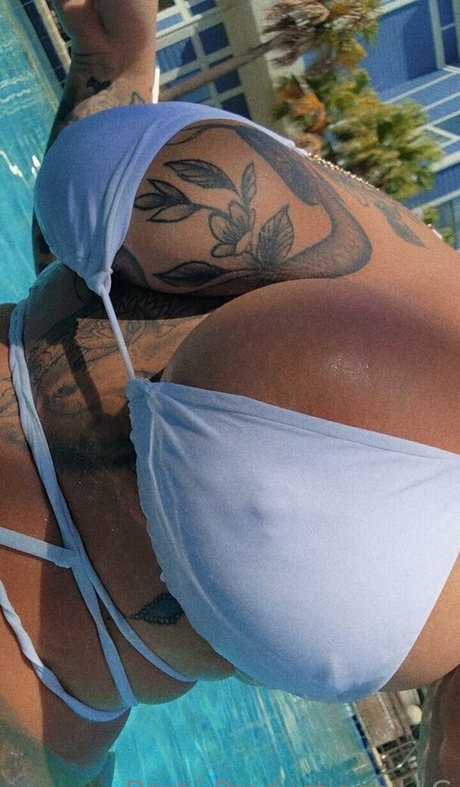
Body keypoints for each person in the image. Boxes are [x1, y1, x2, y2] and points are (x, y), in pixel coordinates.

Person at [0, 1, 458, 784]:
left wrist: (115, 80)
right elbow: (88, 275)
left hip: (38, 704)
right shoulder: (423, 295)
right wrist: (115, 66)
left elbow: (95, 251)